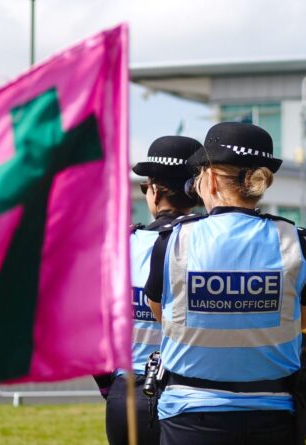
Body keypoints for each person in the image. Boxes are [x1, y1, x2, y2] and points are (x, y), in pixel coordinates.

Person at [144, 122, 306, 445]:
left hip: (189, 412)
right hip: (274, 414)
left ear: (209, 179)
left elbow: (159, 312)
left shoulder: (175, 240)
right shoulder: (291, 239)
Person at [103, 135, 201, 445]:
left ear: (155, 190)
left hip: (129, 392)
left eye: (146, 187)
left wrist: (111, 389)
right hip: (195, 392)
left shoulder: (121, 246)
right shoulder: (215, 245)